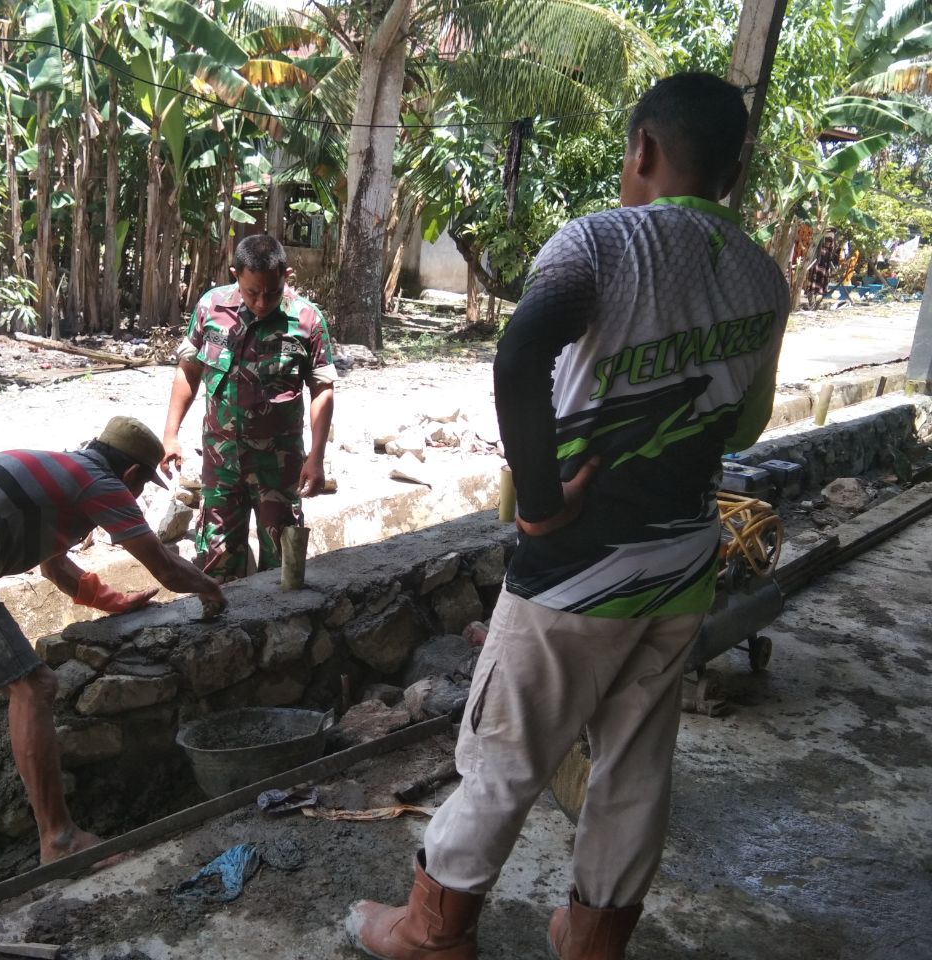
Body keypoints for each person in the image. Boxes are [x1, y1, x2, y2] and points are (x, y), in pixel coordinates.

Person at [344, 72, 789, 960]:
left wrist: (542, 505)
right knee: (635, 763)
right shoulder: (763, 276)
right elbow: (745, 426)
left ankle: (434, 930)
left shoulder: (602, 241)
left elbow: (519, 357)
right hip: (683, 565)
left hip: (577, 570)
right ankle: (593, 940)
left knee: (503, 752)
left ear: (644, 150)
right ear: (733, 174)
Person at [0, 416, 227, 866]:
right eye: (141, 485)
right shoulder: (101, 485)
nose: (137, 494)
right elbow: (166, 568)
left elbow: (55, 565)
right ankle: (59, 840)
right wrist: (212, 589)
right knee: (33, 686)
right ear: (131, 475)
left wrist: (113, 601)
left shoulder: (61, 473)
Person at [161, 233, 338, 581]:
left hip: (279, 466)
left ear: (287, 275)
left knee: (284, 564)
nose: (260, 302)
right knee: (216, 563)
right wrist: (170, 435)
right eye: (252, 292)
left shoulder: (307, 319)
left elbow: (322, 389)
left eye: (272, 292)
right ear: (235, 275)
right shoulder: (211, 308)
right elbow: (189, 371)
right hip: (221, 462)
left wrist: (316, 457)